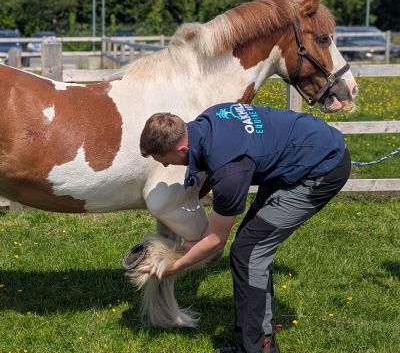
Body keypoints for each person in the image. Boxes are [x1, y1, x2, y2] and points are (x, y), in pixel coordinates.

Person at [139, 102, 351, 353]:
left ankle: (254, 349)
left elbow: (216, 239)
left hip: (322, 168)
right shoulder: (208, 119)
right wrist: (188, 246)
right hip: (296, 154)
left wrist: (173, 266)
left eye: (164, 160)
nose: (164, 166)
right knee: (250, 249)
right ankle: (258, 342)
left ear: (182, 148)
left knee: (248, 253)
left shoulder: (229, 170)